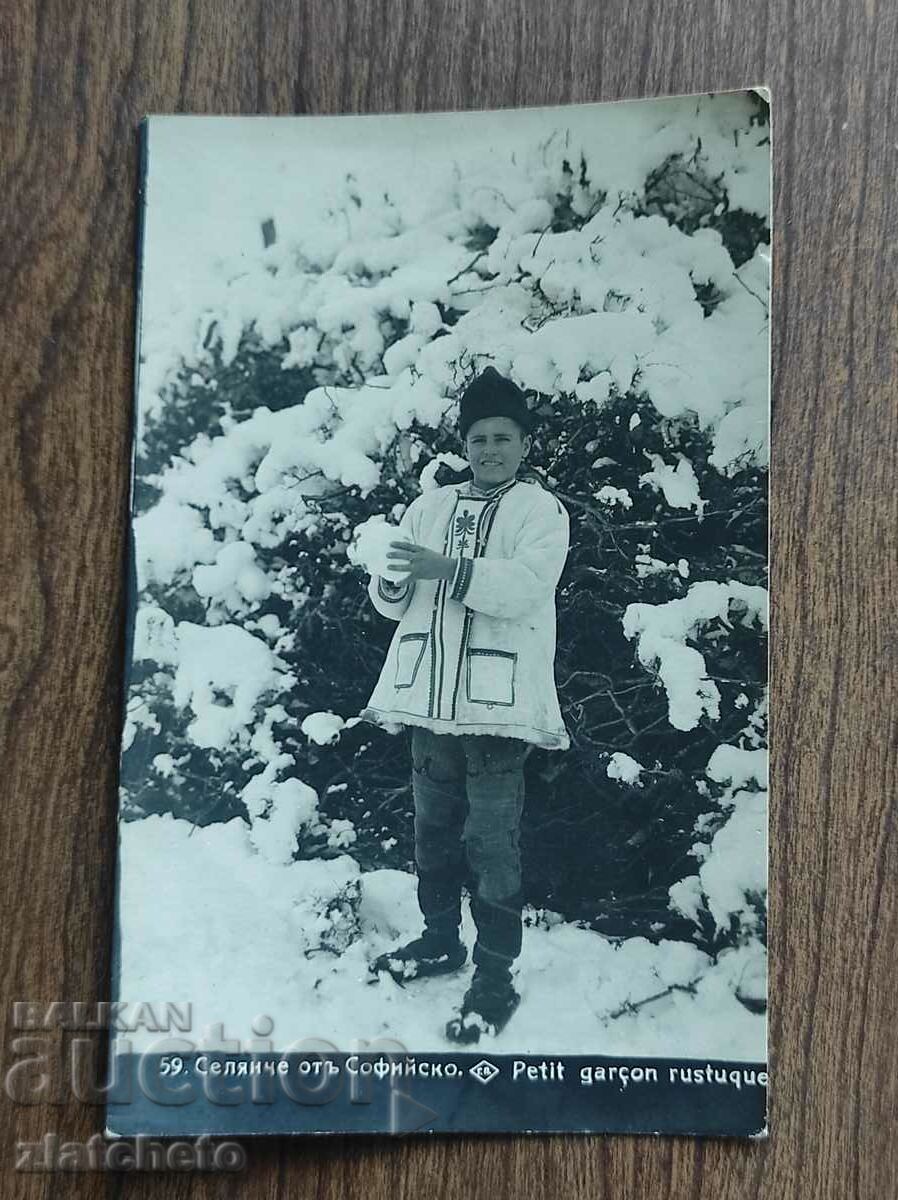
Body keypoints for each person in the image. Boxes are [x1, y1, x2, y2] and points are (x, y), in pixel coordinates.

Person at [360, 366, 570, 1044]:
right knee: (432, 834)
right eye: (479, 439)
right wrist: (388, 577)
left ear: (525, 444)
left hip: (496, 710)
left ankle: (495, 975)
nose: (489, 451)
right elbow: (394, 604)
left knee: (492, 844)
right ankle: (439, 941)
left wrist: (447, 570)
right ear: (465, 443)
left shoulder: (540, 511)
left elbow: (526, 586)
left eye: (503, 438)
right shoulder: (430, 508)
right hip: (428, 702)